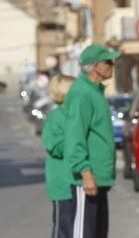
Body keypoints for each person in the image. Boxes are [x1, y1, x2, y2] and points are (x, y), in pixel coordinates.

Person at [63, 43, 121, 238]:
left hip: (99, 178)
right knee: (83, 234)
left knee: (97, 233)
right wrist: (85, 172)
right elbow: (75, 136)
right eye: (108, 61)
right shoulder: (82, 93)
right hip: (87, 180)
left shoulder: (95, 91)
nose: (113, 64)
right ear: (95, 66)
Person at [42, 74, 75, 238]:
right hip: (63, 185)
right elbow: (55, 146)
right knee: (63, 228)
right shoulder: (56, 117)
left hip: (77, 183)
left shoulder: (74, 114)